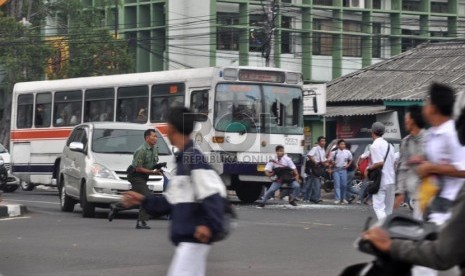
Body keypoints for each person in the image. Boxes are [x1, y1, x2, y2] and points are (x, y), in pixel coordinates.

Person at [121, 107, 227, 276]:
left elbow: (215, 193)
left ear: (170, 129)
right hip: (188, 243)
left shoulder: (192, 158)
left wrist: (208, 226)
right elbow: (169, 202)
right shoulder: (184, 159)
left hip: (193, 242)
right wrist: (141, 200)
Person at [108, 129, 161, 229]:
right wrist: (153, 172)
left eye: (156, 136)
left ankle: (116, 207)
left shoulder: (154, 149)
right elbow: (138, 168)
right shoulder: (141, 150)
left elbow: (151, 163)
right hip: (136, 175)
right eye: (153, 136)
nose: (155, 138)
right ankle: (141, 222)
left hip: (144, 176)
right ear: (147, 138)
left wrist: (158, 166)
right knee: (147, 197)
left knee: (137, 199)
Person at [394, 105, 426, 219]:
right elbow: (402, 167)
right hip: (416, 195)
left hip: (432, 193)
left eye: (406, 120)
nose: (405, 123)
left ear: (413, 120)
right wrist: (400, 192)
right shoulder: (406, 142)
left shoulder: (430, 138)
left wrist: (422, 159)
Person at [366, 122, 396, 220]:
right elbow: (393, 163)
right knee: (388, 210)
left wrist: (368, 168)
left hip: (381, 181)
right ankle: (388, 229)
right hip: (391, 180)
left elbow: (379, 163)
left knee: (378, 207)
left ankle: (384, 228)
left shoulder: (374, 146)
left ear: (372, 132)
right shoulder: (389, 146)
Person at [303, 136, 327, 203]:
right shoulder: (315, 148)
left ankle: (308, 197)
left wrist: (328, 163)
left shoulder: (323, 150)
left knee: (310, 184)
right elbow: (309, 155)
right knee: (317, 183)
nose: (323, 142)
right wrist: (315, 162)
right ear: (319, 142)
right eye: (322, 141)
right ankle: (315, 198)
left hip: (319, 168)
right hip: (313, 168)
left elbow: (323, 159)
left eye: (324, 141)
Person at [328, 139, 353, 204]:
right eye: (341, 144)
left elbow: (351, 159)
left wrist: (348, 165)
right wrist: (331, 164)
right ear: (338, 145)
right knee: (337, 185)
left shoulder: (348, 152)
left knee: (344, 185)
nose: (343, 145)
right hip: (336, 170)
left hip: (344, 170)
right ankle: (337, 199)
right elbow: (329, 161)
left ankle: (343, 198)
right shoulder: (334, 152)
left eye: (344, 144)